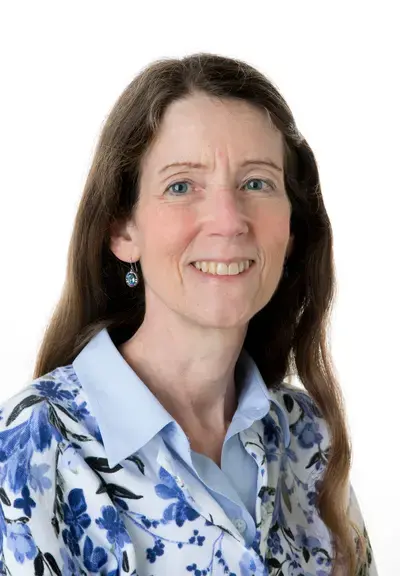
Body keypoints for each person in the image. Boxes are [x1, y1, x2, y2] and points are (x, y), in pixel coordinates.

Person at [0, 53, 377, 576]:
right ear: (122, 230)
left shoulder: (307, 436)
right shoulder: (26, 454)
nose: (228, 221)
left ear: (291, 229)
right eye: (181, 186)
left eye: (257, 183)